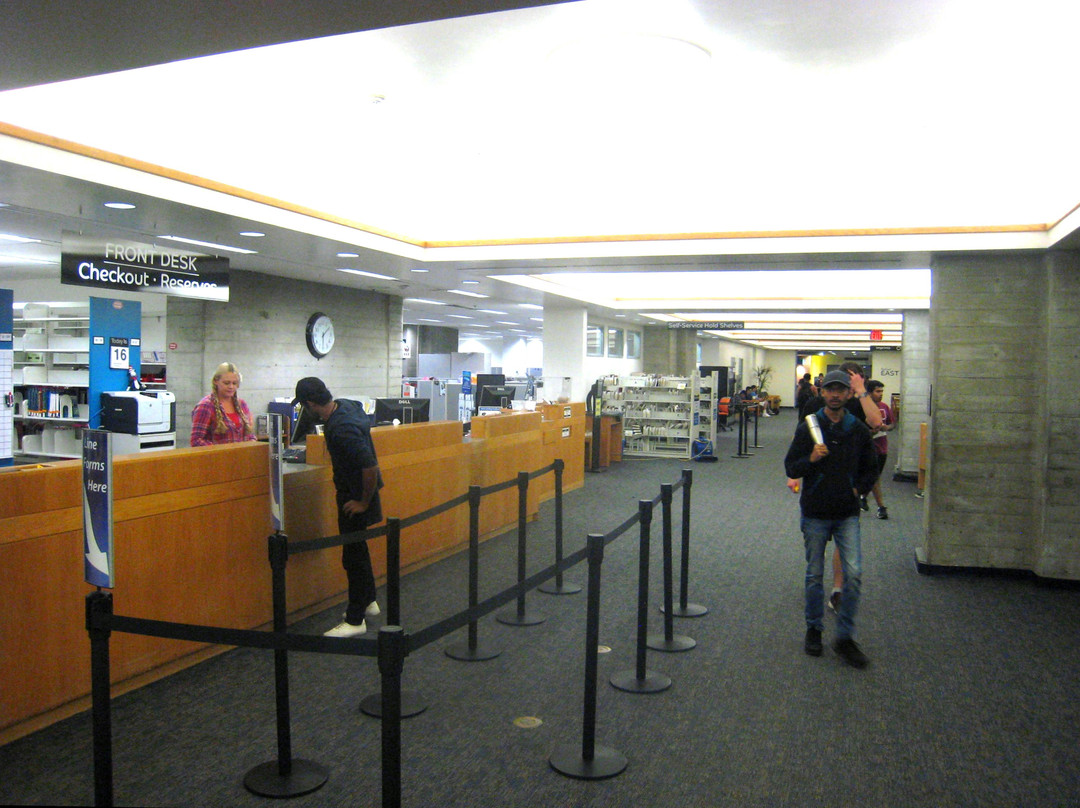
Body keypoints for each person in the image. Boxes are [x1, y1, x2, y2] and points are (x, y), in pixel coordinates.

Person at [784, 369, 878, 668]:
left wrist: (859, 489)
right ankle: (814, 628)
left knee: (854, 574)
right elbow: (791, 467)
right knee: (814, 575)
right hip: (815, 511)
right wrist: (811, 459)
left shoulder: (856, 429)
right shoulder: (809, 427)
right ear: (822, 392)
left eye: (841, 390)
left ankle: (844, 637)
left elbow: (872, 466)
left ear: (849, 394)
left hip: (846, 513)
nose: (835, 394)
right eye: (830, 389)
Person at [292, 377, 383, 638]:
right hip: (360, 493)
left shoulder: (341, 429)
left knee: (352, 557)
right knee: (358, 550)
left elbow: (369, 466)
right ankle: (368, 601)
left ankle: (356, 620)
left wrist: (362, 502)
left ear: (311, 404)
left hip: (354, 498)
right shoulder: (346, 405)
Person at [190, 362, 257, 446]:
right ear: (216, 381)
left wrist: (252, 442)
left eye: (234, 383)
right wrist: (222, 450)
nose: (231, 387)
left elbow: (249, 435)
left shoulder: (242, 404)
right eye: (226, 383)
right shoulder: (205, 406)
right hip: (217, 454)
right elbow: (196, 440)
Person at [866, 379, 896, 519]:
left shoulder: (884, 407)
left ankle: (862, 497)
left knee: (874, 476)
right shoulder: (863, 408)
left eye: (882, 391)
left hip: (882, 448)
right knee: (873, 476)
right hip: (867, 448)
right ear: (869, 393)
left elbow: (892, 424)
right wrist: (870, 432)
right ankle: (881, 506)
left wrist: (886, 427)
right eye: (878, 391)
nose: (881, 394)